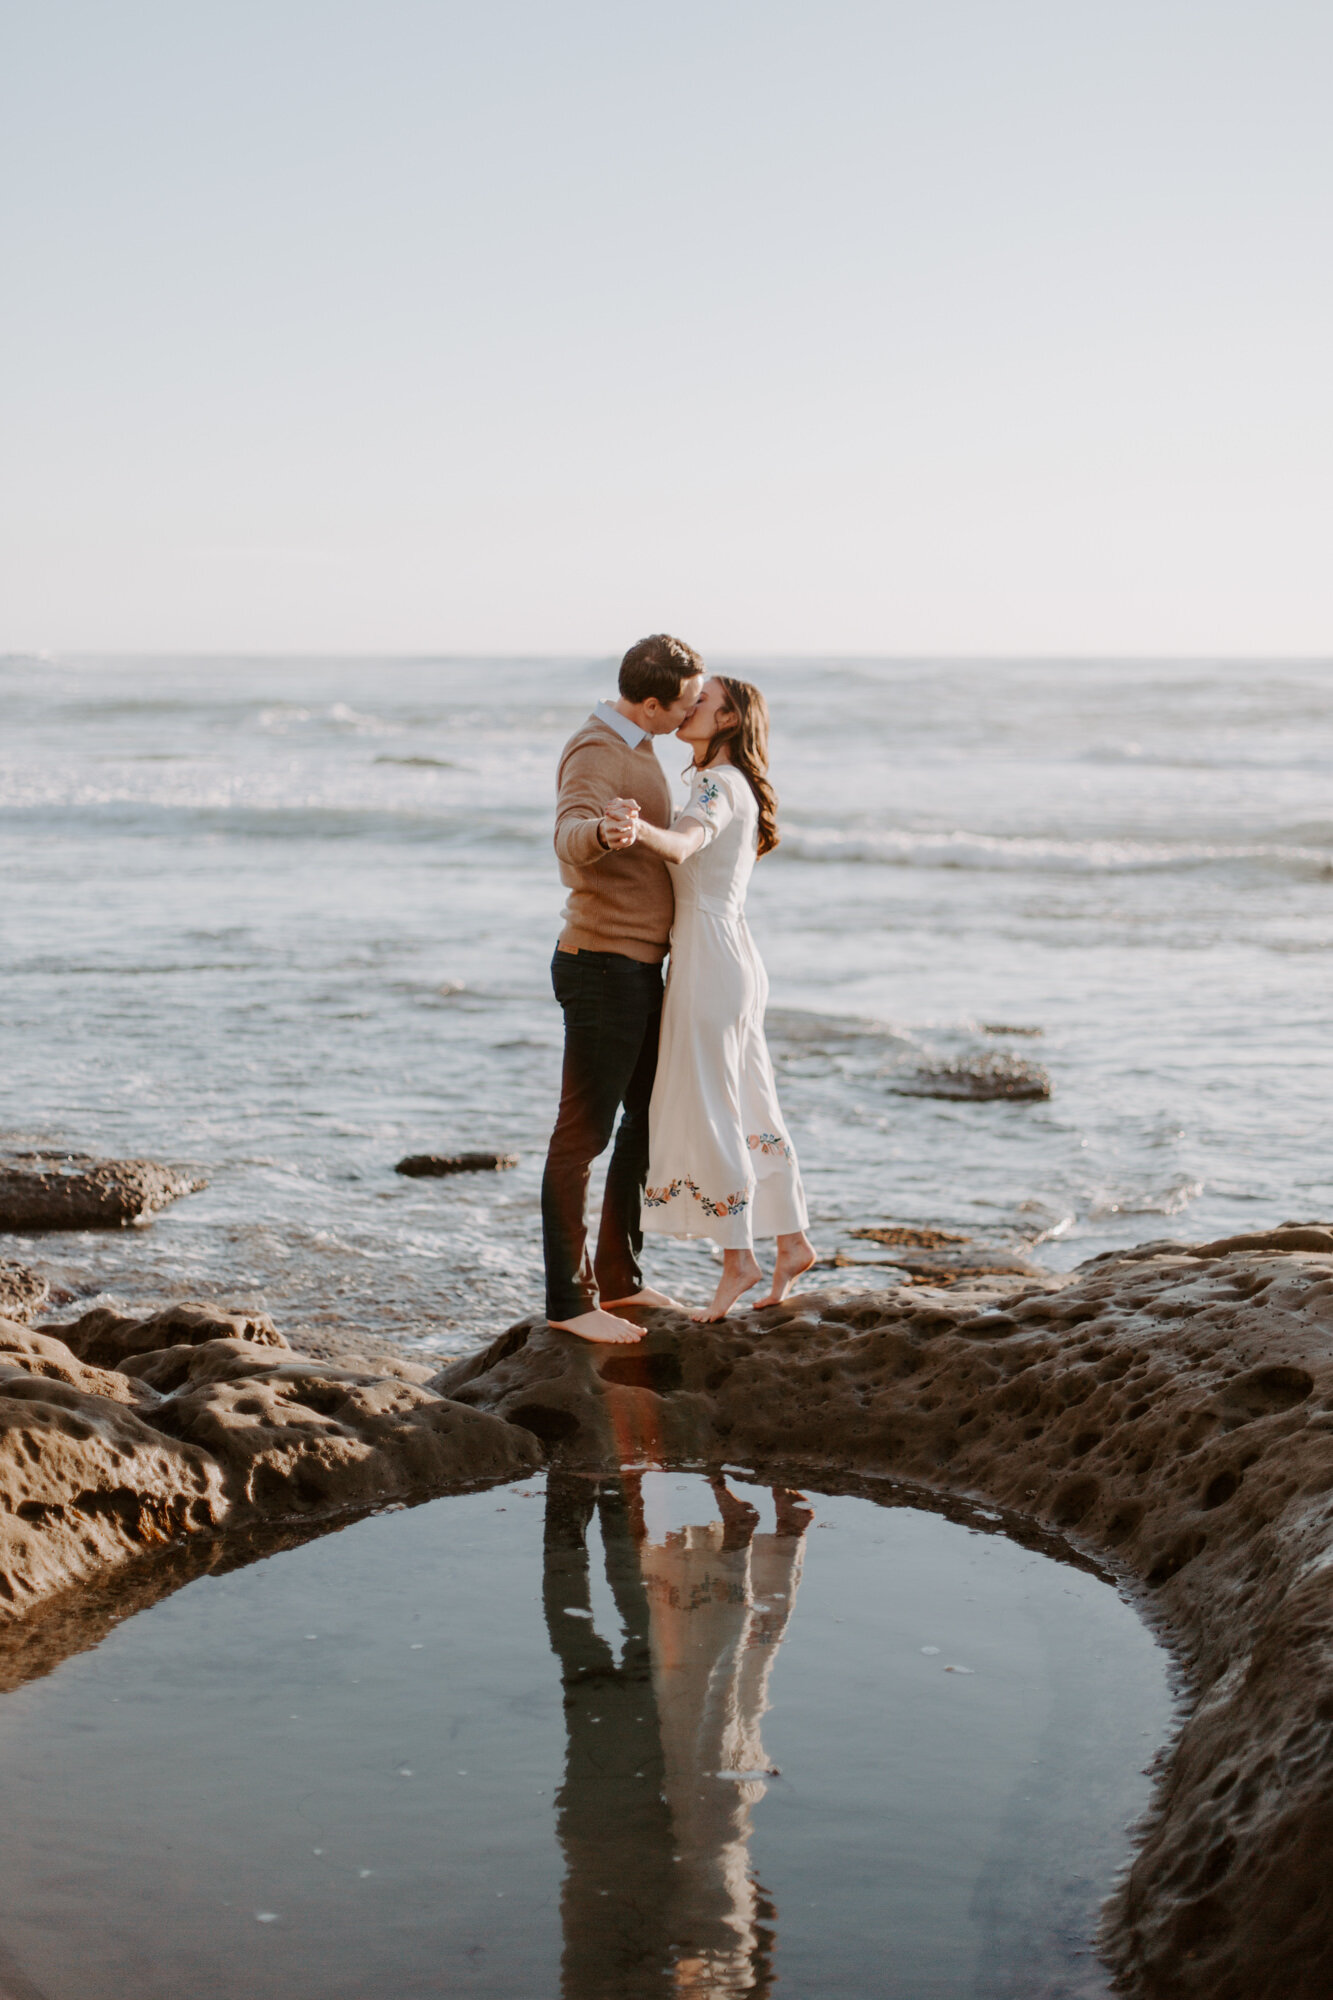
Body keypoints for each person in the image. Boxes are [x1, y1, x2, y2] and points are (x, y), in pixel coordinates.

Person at [610, 676, 815, 1321]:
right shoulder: (738, 785)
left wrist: (635, 828)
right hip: (735, 957)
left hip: (709, 963)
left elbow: (685, 842)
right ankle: (793, 1242)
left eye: (704, 701)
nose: (689, 705)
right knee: (750, 1097)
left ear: (727, 721)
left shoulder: (716, 785)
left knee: (714, 1106)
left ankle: (738, 1259)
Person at [541, 635, 705, 1345]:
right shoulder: (596, 749)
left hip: (636, 964)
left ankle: (620, 1280)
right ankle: (568, 1303)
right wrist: (603, 836)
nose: (694, 711)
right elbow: (568, 832)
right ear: (649, 702)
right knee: (583, 1138)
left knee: (642, 1123)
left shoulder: (640, 746)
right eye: (687, 702)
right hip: (601, 963)